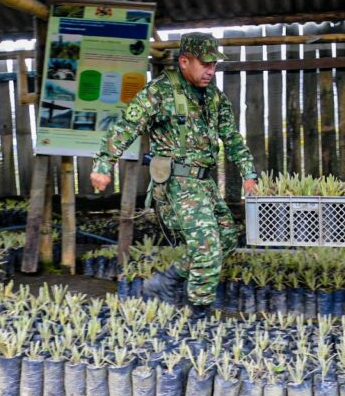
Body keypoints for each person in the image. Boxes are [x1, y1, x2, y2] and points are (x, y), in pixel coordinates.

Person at [90, 32, 258, 318]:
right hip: (178, 185)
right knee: (206, 247)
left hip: (204, 183)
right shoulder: (160, 93)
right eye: (205, 64)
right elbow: (126, 125)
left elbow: (231, 138)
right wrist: (104, 163)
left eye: (214, 65)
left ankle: (165, 281)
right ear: (184, 61)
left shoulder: (215, 99)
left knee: (227, 239)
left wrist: (248, 173)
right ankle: (199, 315)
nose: (211, 71)